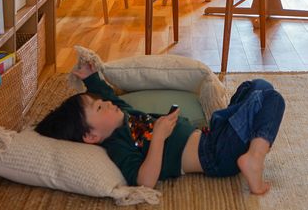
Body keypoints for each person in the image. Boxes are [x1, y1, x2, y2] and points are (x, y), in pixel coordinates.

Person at [35, 60, 284, 195]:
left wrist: (90, 77)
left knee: (256, 86)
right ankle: (254, 156)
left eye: (101, 102)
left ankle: (253, 144)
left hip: (214, 133)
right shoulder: (117, 145)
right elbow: (144, 181)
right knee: (272, 99)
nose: (107, 104)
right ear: (92, 136)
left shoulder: (124, 115)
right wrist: (159, 137)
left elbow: (107, 95)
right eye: (99, 108)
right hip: (216, 154)